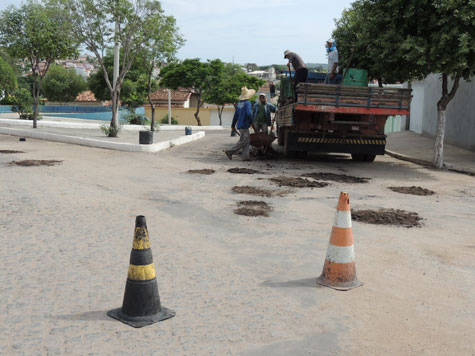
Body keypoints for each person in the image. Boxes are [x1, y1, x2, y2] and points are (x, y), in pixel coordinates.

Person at [225, 87, 257, 161]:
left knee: (247, 141)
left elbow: (235, 115)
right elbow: (249, 114)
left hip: (239, 125)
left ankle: (245, 157)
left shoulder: (239, 104)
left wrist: (233, 125)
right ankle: (230, 151)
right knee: (243, 140)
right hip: (245, 125)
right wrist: (251, 122)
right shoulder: (247, 103)